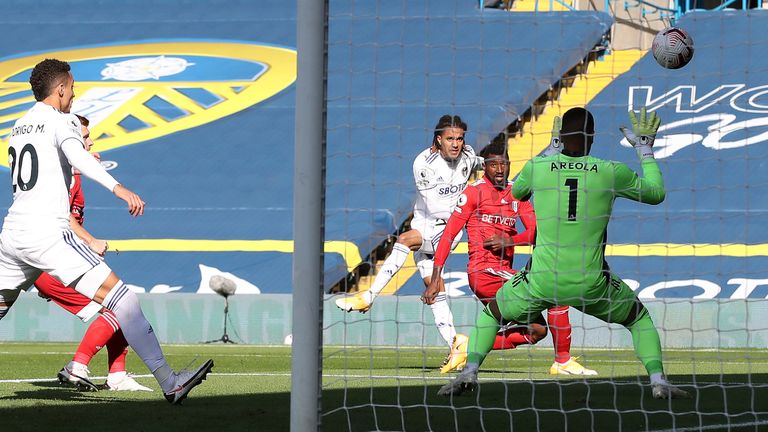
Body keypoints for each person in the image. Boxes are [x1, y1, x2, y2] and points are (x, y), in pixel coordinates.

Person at [438, 107, 690, 399]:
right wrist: (645, 150)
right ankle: (658, 382)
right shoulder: (611, 171)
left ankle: (469, 372)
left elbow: (517, 193)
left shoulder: (538, 167)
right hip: (591, 281)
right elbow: (656, 194)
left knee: (491, 314)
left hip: (542, 279)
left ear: (559, 136)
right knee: (638, 319)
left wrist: (550, 155)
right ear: (592, 138)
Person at [0, 58, 212, 404]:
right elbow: (77, 155)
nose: (74, 95)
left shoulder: (19, 125)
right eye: (73, 88)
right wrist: (119, 188)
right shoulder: (62, 119)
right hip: (48, 235)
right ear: (61, 89)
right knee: (123, 301)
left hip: (12, 235)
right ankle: (171, 382)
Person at [423, 134, 597, 375]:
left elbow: (538, 232)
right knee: (557, 293)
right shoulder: (474, 193)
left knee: (536, 331)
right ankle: (563, 361)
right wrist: (435, 279)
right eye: (494, 164)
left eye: (504, 164)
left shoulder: (518, 194)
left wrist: (510, 240)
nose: (500, 169)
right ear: (485, 166)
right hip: (483, 272)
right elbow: (449, 234)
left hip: (505, 275)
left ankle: (467, 346)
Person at [336, 115, 481, 364]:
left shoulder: (468, 155)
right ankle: (456, 344)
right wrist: (468, 200)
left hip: (450, 230)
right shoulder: (424, 163)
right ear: (438, 139)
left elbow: (478, 164)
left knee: (404, 240)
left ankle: (368, 296)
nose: (456, 144)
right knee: (434, 290)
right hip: (427, 224)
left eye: (459, 138)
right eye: (450, 139)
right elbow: (435, 208)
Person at [34, 114, 150, 392]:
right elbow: (60, 217)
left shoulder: (71, 173)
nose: (90, 141)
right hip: (51, 260)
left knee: (121, 305)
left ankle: (117, 375)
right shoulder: (66, 177)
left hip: (50, 260)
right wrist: (91, 241)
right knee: (117, 308)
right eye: (85, 137)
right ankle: (78, 367)